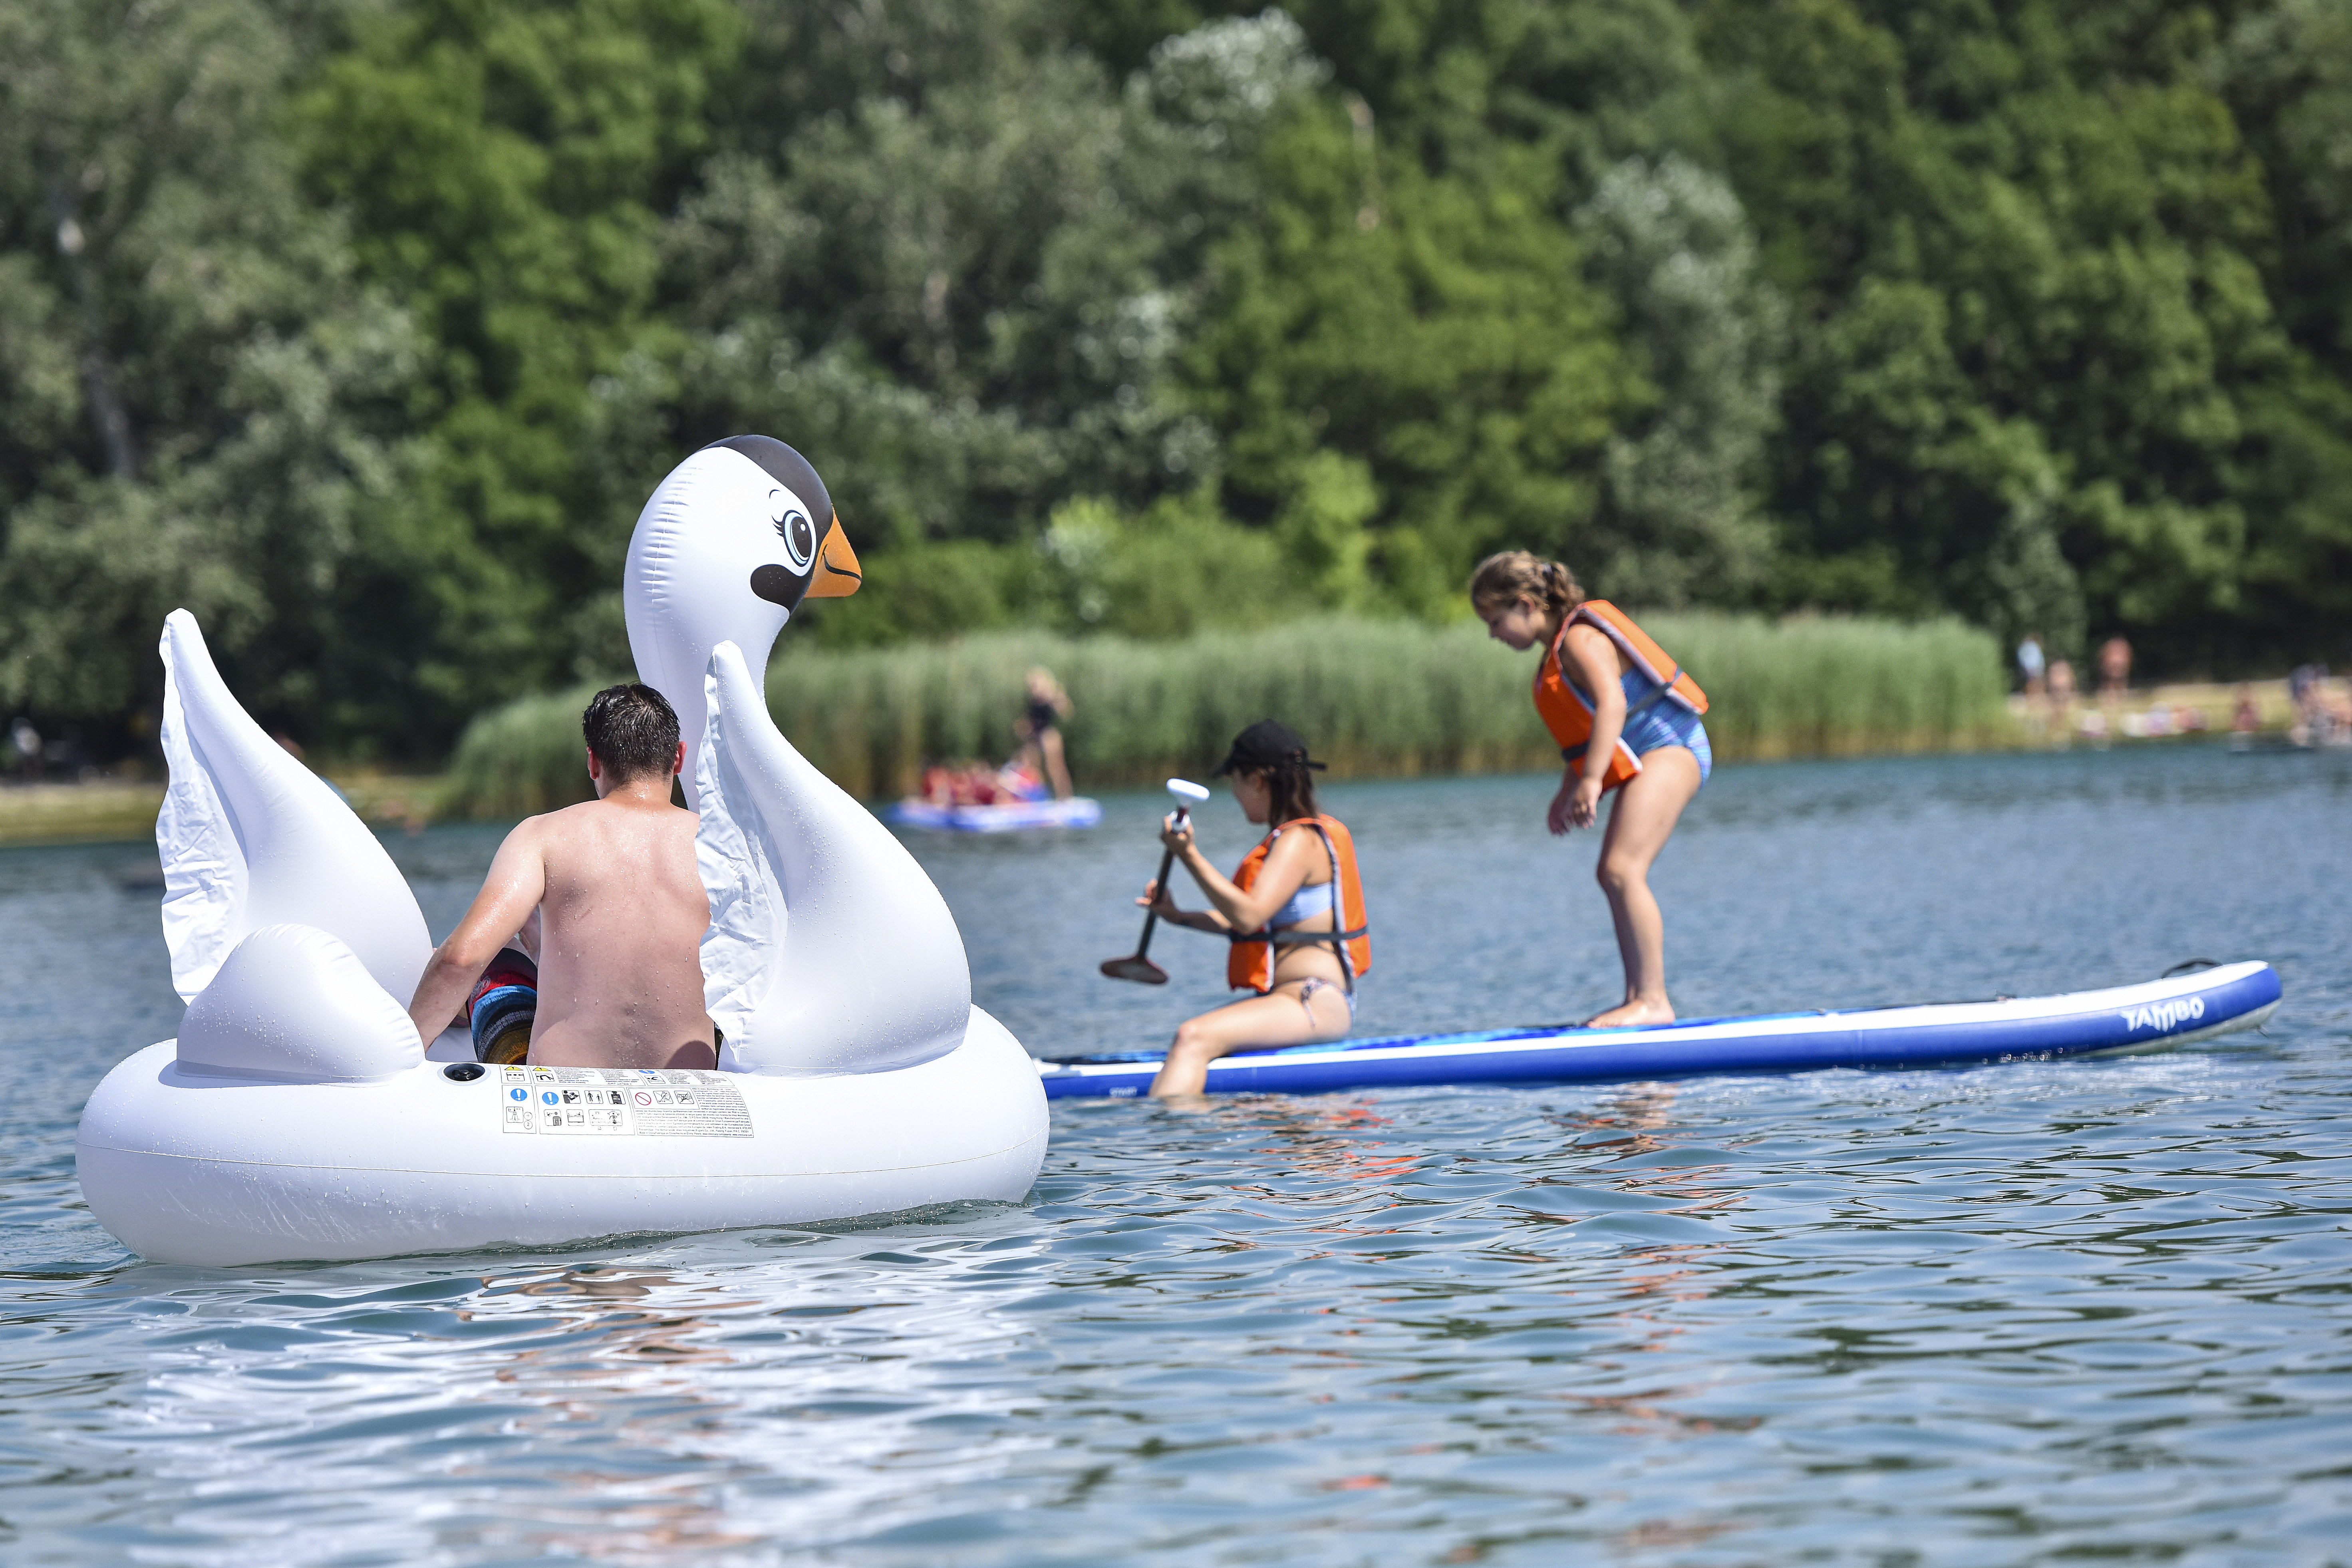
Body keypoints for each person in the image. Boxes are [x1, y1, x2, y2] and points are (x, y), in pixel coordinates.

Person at [406, 683, 717, 1070]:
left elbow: (461, 959)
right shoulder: (722, 846)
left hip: (564, 1095)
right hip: (694, 1096)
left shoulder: (543, 835)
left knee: (497, 960)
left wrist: (397, 1064)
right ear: (679, 757)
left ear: (593, 762)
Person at [1470, 550, 1709, 1028]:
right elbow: (1584, 734)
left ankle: (1652, 1002)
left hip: (1672, 747)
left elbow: (1611, 704)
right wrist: (1570, 788)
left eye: (1494, 620)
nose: (1492, 634)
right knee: (1612, 872)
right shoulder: (1556, 653)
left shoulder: (1579, 638)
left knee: (1622, 869)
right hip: (1648, 753)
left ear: (1525, 604)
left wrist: (1592, 780)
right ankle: (1638, 999)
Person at [1135, 720, 1370, 1097]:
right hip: (1295, 1000)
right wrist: (1178, 916)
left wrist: (1189, 854)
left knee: (1192, 1037)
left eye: (1236, 780)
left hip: (1312, 1000)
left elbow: (1249, 915)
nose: (1235, 792)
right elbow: (1253, 923)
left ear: (1258, 780)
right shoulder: (1295, 838)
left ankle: (1167, 1149)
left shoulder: (1298, 840)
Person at [1014, 667, 1075, 801]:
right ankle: (1035, 798)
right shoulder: (1032, 699)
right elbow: (1031, 719)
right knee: (1030, 767)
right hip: (1034, 734)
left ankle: (1065, 798)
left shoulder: (1051, 696)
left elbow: (1066, 713)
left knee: (1055, 768)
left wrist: (1058, 698)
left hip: (1048, 733)